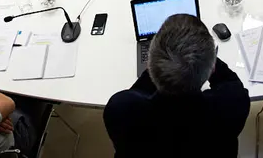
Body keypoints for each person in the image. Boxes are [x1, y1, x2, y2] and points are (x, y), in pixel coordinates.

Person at [104, 14, 250, 157]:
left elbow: (137, 93)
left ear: (149, 63)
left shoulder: (120, 110)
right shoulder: (232, 105)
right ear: (212, 68)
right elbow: (230, 83)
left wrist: (161, 65)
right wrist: (207, 58)